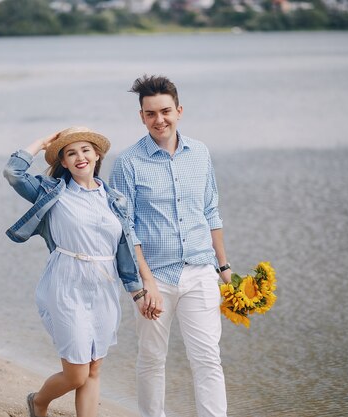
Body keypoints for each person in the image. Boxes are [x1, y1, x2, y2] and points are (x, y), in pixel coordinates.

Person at [3, 126, 150, 417]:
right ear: (65, 163)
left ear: (97, 155)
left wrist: (139, 293)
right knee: (76, 374)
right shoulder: (51, 192)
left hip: (104, 287)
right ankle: (39, 401)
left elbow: (124, 249)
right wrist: (43, 143)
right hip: (66, 283)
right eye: (71, 153)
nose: (79, 157)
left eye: (85, 150)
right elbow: (13, 172)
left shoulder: (116, 199)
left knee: (94, 369)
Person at [109, 75, 233, 417]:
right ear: (141, 117)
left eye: (165, 111)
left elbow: (211, 210)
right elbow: (125, 228)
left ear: (179, 110)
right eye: (150, 114)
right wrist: (145, 283)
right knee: (151, 359)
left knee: (208, 357)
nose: (159, 120)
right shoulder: (128, 162)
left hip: (200, 271)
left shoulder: (200, 153)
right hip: (156, 278)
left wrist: (224, 268)